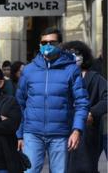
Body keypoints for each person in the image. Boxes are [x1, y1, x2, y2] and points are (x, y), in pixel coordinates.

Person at [16, 27, 89, 173]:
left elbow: (82, 102)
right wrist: (19, 134)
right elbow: (20, 103)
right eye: (44, 42)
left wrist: (77, 130)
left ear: (60, 45)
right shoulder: (29, 70)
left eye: (52, 42)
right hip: (32, 133)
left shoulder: (71, 69)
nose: (47, 46)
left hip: (60, 135)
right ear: (39, 45)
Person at [62, 40, 107, 173]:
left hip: (87, 132)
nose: (73, 57)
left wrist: (92, 112)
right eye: (69, 54)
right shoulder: (61, 77)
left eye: (77, 53)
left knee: (84, 167)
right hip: (63, 129)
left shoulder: (95, 78)